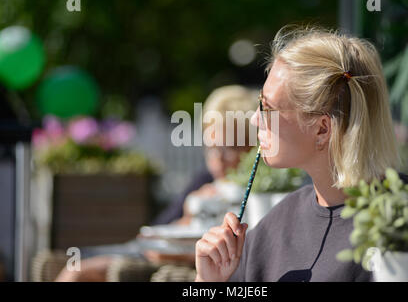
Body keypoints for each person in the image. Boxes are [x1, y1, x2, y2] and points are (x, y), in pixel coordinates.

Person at [194, 26, 408, 282]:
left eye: (268, 108)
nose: (255, 120)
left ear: (322, 129)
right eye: (259, 104)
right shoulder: (278, 223)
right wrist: (208, 282)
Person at [55, 85, 258, 281]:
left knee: (77, 272)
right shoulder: (205, 180)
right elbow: (158, 230)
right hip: (153, 253)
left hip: (178, 264)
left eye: (229, 147)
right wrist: (189, 217)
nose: (218, 159)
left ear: (252, 145)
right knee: (69, 261)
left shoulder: (260, 191)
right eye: (212, 148)